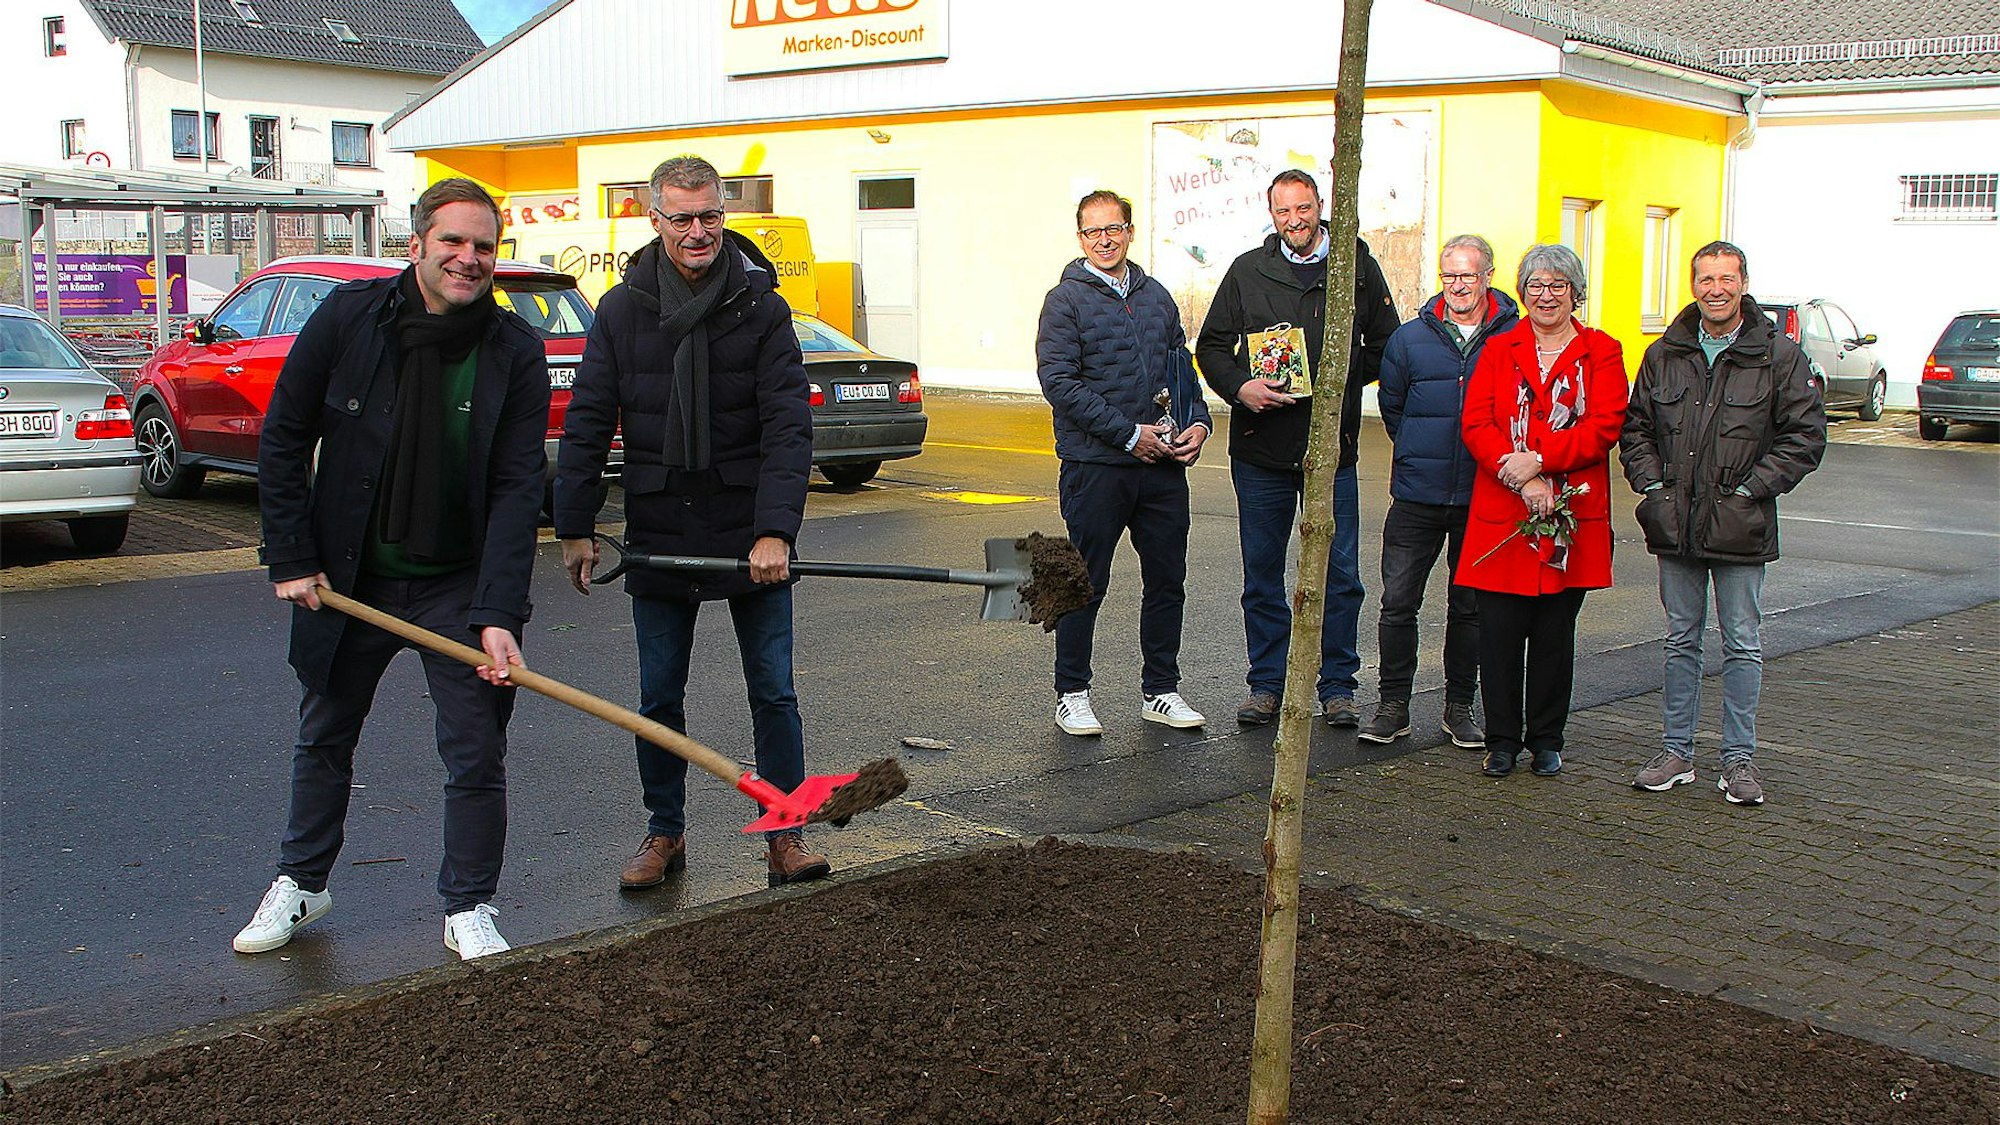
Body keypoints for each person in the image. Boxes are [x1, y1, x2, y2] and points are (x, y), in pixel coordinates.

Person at [236, 178, 549, 960]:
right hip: (351, 575)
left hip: (458, 583)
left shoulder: (514, 350)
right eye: (454, 241)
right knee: (326, 732)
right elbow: (283, 435)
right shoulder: (350, 318)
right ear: (416, 245)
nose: (469, 259)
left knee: (476, 747)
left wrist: (500, 612)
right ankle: (302, 883)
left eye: (484, 245)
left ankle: (468, 903)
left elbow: (517, 488)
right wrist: (292, 554)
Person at [555, 155, 831, 890]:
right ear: (655, 221)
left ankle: (785, 831)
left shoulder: (762, 309)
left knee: (773, 691)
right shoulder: (620, 309)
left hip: (748, 530)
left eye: (711, 215)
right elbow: (587, 420)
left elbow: (786, 428)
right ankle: (664, 831)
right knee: (658, 695)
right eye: (683, 217)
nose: (699, 230)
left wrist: (777, 529)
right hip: (659, 526)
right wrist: (574, 524)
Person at [1622, 241, 1825, 806]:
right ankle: (1676, 752)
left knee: (1741, 643)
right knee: (1680, 639)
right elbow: (1636, 428)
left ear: (1743, 283)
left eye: (1726, 278)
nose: (1716, 288)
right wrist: (1654, 487)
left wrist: (1750, 489)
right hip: (1677, 522)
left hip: (1740, 524)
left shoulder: (1777, 356)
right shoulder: (1665, 353)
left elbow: (1806, 436)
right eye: (1706, 278)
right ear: (1693, 285)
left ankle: (1738, 761)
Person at [1196, 168, 1400, 728]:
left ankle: (1337, 687)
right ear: (1272, 215)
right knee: (1262, 574)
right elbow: (1211, 345)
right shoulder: (1247, 271)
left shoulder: (1354, 267)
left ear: (1320, 207)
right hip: (1261, 450)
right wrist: (1241, 387)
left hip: (1332, 450)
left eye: (1303, 209)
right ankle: (1267, 685)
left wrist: (1342, 380)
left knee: (1340, 574)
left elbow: (1388, 341)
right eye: (1283, 212)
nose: (1295, 221)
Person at [1035, 190, 1213, 736]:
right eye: (1093, 232)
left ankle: (1160, 689)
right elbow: (1059, 382)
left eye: (1114, 229)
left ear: (1130, 231)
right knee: (1083, 581)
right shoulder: (1064, 301)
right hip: (1097, 467)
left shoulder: (1157, 296)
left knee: (1167, 581)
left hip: (1162, 469)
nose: (1105, 240)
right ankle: (1072, 692)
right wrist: (1127, 434)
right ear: (1081, 238)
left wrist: (1198, 423)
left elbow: (1182, 370)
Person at [1454, 244, 1626, 779]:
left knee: (1554, 637)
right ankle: (1501, 739)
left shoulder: (1603, 351)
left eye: (1557, 285)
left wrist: (1543, 463)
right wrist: (1522, 476)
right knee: (1499, 636)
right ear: (1522, 291)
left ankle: (1547, 738)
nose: (1545, 295)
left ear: (1576, 292)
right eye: (1535, 285)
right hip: (1504, 512)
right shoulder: (1500, 347)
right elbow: (1476, 422)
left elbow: (1604, 425)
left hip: (1569, 515)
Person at [1364, 234, 1519, 748]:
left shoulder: (1512, 337)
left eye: (1467, 276)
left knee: (1469, 607)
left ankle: (1458, 707)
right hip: (1417, 494)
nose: (1457, 286)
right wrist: (1414, 448)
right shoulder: (1409, 339)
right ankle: (1393, 705)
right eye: (1449, 276)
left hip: (1485, 495)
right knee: (1398, 602)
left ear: (1487, 277)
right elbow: (1394, 409)